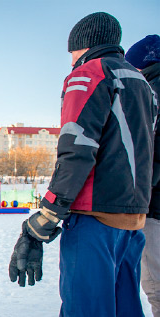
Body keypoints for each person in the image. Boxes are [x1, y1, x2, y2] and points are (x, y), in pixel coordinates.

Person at [8, 13, 157, 316]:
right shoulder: (142, 82)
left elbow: (77, 150)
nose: (71, 59)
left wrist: (45, 218)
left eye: (71, 51)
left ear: (83, 45)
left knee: (86, 309)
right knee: (125, 307)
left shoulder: (89, 73)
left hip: (95, 217)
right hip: (133, 218)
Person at [126, 34, 160, 317]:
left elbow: (147, 153)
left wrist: (137, 194)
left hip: (154, 207)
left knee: (155, 285)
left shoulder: (149, 94)